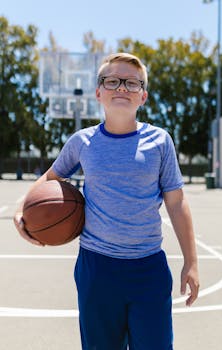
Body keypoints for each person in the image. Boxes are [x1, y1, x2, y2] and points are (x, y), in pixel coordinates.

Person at [14, 52, 199, 350]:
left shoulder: (160, 141)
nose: (122, 88)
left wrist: (191, 262)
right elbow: (49, 179)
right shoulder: (82, 142)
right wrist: (22, 209)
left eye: (131, 83)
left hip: (148, 267)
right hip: (97, 268)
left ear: (144, 97)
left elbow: (177, 203)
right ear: (98, 93)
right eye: (112, 81)